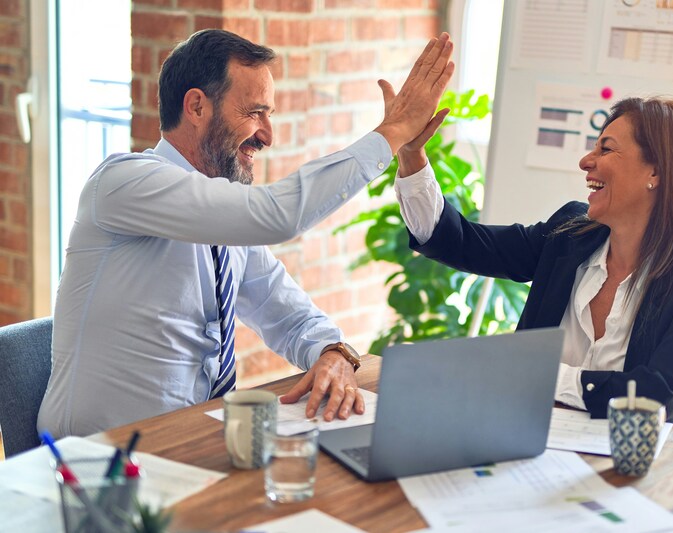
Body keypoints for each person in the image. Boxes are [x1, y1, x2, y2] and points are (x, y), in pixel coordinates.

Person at [38, 29, 454, 438]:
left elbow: (287, 313)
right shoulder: (124, 183)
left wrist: (333, 352)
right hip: (95, 464)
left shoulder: (225, 222)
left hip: (190, 446)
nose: (267, 135)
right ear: (197, 107)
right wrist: (393, 132)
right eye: (255, 112)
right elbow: (278, 215)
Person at [393, 96, 673, 428]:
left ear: (656, 173)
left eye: (606, 148)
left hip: (638, 472)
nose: (586, 161)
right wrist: (411, 154)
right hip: (529, 444)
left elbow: (655, 397)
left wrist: (538, 374)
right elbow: (461, 242)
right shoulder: (569, 235)